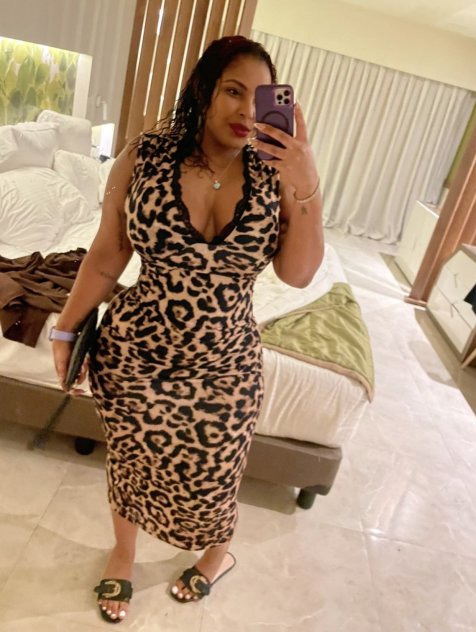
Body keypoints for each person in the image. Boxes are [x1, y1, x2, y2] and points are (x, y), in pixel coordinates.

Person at [51, 35, 323, 623]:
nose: (246, 111)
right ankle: (123, 554)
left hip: (226, 362)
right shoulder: (145, 155)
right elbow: (107, 253)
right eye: (233, 91)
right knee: (130, 463)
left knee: (217, 477)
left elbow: (298, 273)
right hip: (136, 354)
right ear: (203, 90)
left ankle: (217, 554)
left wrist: (306, 182)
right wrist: (65, 328)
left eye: (259, 97)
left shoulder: (277, 171)